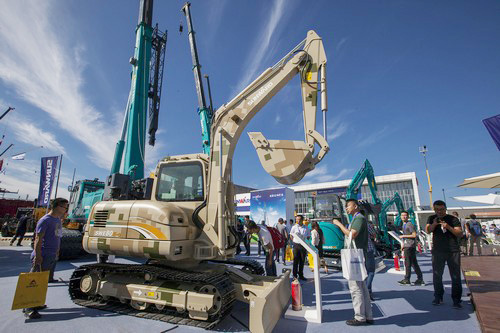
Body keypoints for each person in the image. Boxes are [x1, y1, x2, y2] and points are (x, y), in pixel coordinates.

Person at [24, 198, 68, 319]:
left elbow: (57, 236)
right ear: (57, 206)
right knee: (34, 281)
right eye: (64, 207)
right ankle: (28, 308)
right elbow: (38, 239)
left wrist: (57, 252)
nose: (66, 209)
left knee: (42, 282)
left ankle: (36, 303)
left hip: (51, 255)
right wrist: (38, 256)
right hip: (43, 254)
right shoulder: (45, 220)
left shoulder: (58, 220)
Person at [333, 199, 374, 326]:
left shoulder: (359, 219)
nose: (346, 208)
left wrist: (338, 224)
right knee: (362, 288)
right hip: (359, 255)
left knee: (356, 288)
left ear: (355, 206)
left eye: (348, 206)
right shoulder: (357, 219)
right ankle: (368, 316)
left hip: (356, 257)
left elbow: (352, 234)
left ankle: (360, 317)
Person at [426, 200, 463, 308]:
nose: (439, 212)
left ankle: (456, 300)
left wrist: (448, 227)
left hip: (453, 251)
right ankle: (438, 297)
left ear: (445, 208)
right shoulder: (431, 218)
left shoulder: (453, 219)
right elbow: (428, 230)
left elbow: (459, 233)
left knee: (455, 276)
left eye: (441, 209)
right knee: (437, 275)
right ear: (434, 209)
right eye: (437, 209)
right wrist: (434, 224)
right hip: (438, 251)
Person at [398, 211, 424, 286]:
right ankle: (420, 278)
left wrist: (403, 236)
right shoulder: (404, 225)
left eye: (405, 215)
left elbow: (414, 235)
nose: (404, 217)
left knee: (408, 263)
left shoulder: (409, 224)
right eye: (402, 215)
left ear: (408, 216)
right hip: (408, 245)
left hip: (410, 246)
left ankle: (407, 279)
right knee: (414, 263)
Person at [290, 215, 310, 281]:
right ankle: (294, 275)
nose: (297, 221)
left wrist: (304, 239)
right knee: (295, 261)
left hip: (303, 245)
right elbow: (291, 235)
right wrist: (294, 242)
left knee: (302, 261)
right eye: (296, 219)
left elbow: (308, 236)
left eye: (299, 219)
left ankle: (301, 275)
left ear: (302, 220)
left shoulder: (306, 228)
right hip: (296, 245)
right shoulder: (294, 227)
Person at [365, 219, 377, 300]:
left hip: (359, 251)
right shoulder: (368, 225)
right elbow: (374, 235)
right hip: (368, 249)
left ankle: (365, 290)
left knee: (364, 272)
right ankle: (368, 290)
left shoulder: (351, 224)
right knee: (371, 271)